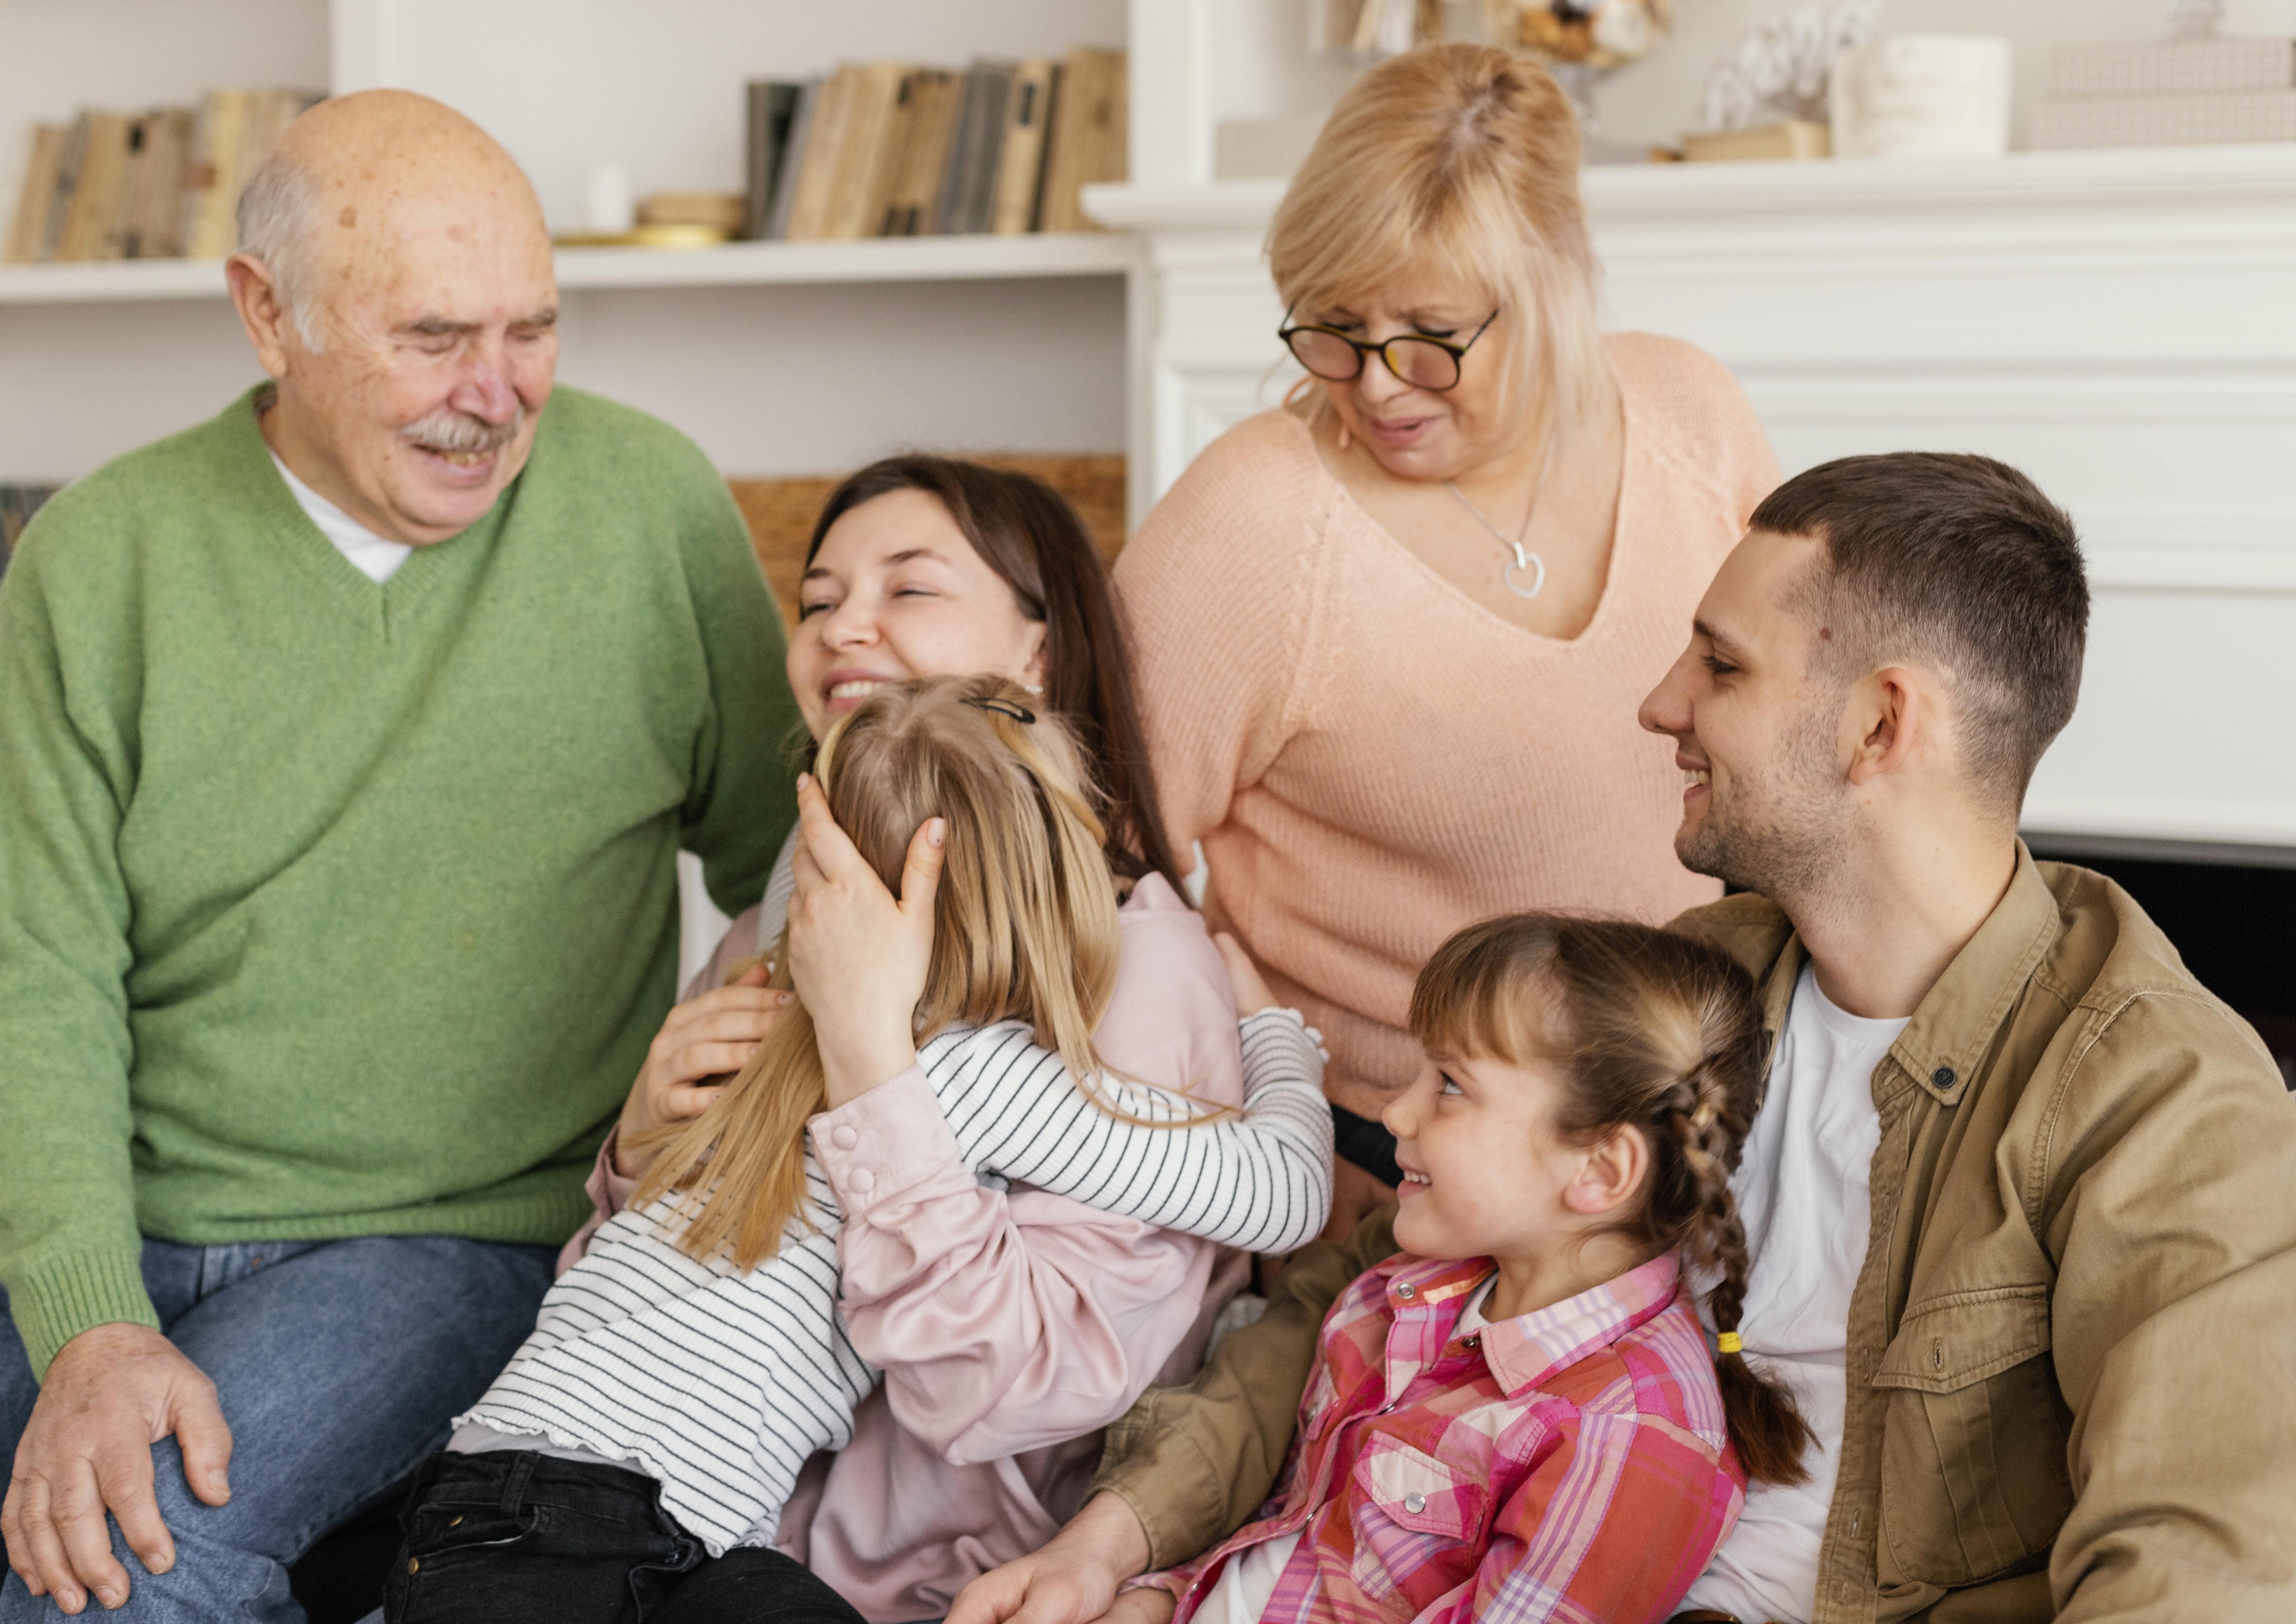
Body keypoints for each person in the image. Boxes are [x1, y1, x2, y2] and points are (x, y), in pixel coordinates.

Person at [954, 452, 2296, 1624]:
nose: (1659, 704)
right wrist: (1111, 1538)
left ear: (1880, 723)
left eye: (1718, 663)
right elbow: (1353, 1299)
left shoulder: (2160, 1098)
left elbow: (2199, 1563)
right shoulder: (1695, 981)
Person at [0, 90, 800, 1623]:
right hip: (112, 1200)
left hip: (446, 1237)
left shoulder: (649, 508)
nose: (497, 393)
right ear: (269, 315)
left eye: (534, 329)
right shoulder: (103, 556)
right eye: (435, 336)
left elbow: (790, 860)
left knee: (110, 1585)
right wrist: (93, 1326)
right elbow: (39, 979)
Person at [384, 676, 1334, 1624]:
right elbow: (1283, 1194)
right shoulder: (973, 1073)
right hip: (580, 1518)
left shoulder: (765, 1027)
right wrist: (1275, 1032)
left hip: (587, 1518)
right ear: (1053, 884)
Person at [581, 456, 1288, 1624]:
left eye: (907, 590)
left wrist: (873, 1072)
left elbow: (1023, 1387)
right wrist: (640, 1148)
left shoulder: (1138, 967)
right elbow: (630, 1312)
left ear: (1038, 652)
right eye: (815, 601)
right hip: (680, 1544)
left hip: (928, 1594)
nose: (841, 625)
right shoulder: (773, 926)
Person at [1115, 42, 1780, 1236]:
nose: (1374, 385)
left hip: (1670, 1133)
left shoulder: (1690, 416)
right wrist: (1276, 1126)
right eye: (1331, 326)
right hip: (1395, 1161)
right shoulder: (1253, 523)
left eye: (1430, 332)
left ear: (1553, 285)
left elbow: (1792, 736)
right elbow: (1091, 864)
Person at [1122, 914, 1806, 1624]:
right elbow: (1292, 1537)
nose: (1396, 1112)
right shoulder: (1413, 1285)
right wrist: (1154, 1600)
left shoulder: (1622, 1438)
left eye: (1449, 1084)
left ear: (1601, 1170)